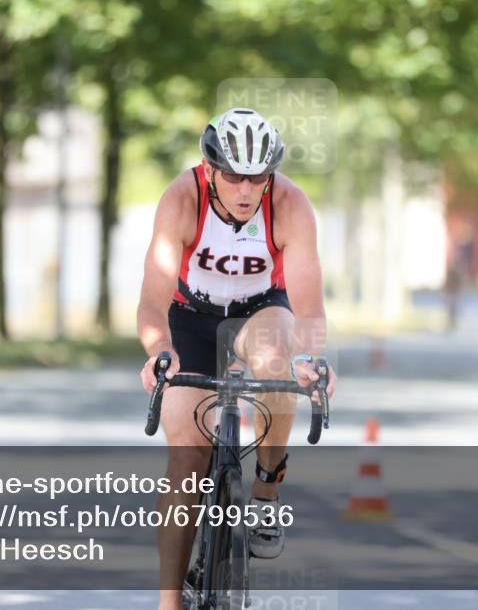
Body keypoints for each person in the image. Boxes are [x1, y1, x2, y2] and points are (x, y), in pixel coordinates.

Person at [136, 107, 337, 610]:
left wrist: (309, 358)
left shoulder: (289, 204)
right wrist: (160, 351)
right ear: (210, 170)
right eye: (233, 177)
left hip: (260, 309)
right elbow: (153, 302)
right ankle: (168, 602)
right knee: (187, 458)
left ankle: (266, 490)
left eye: (257, 178)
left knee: (276, 362)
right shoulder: (182, 199)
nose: (246, 191)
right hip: (190, 315)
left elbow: (309, 307)